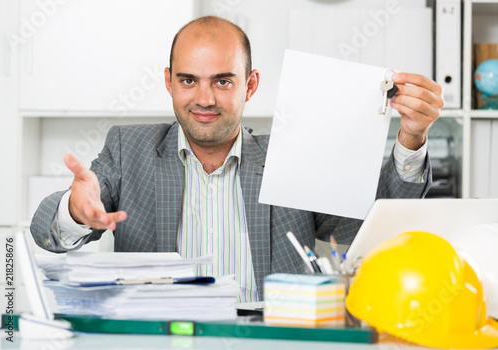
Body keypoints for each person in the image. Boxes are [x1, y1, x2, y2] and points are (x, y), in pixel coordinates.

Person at [31, 16, 444, 301]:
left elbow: (371, 225)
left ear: (250, 85)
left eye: (223, 81)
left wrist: (411, 137)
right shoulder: (128, 148)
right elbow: (46, 234)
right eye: (188, 80)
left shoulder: (291, 156)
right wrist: (75, 211)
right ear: (169, 83)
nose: (205, 99)